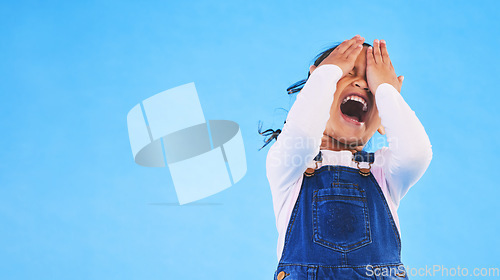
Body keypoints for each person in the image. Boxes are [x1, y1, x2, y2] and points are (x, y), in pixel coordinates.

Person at [263, 35, 432, 279]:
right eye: (349, 72)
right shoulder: (289, 165)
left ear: (385, 117)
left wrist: (387, 92)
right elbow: (303, 131)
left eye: (372, 83)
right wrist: (326, 73)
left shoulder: (383, 171)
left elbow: (417, 153)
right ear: (317, 89)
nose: (364, 85)